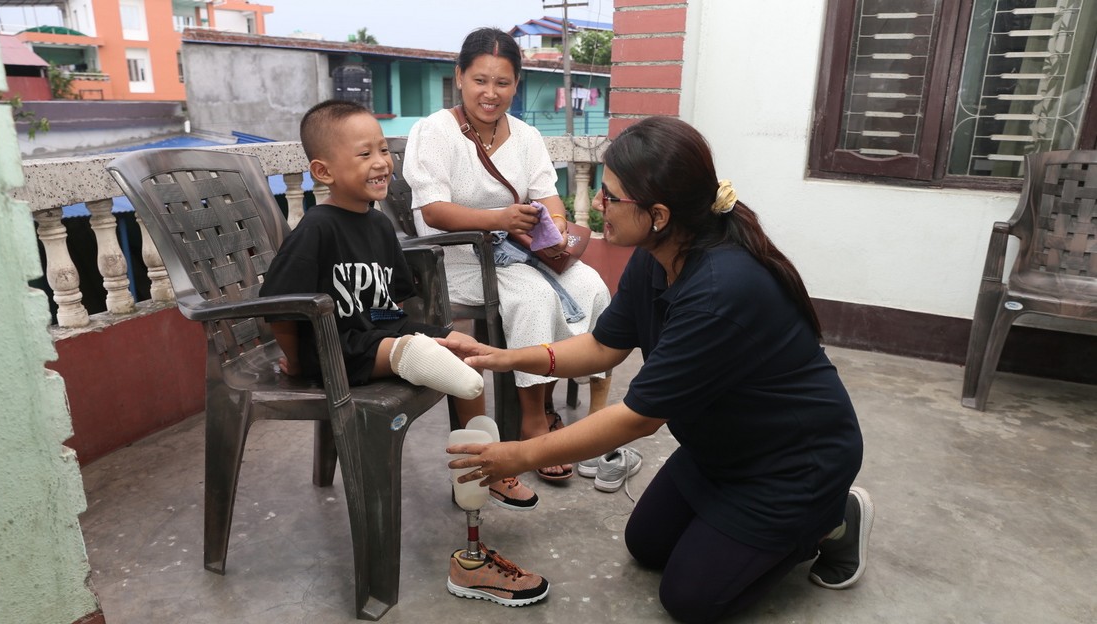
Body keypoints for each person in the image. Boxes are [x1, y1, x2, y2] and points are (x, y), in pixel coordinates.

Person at [444, 116, 873, 623]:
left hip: (792, 464)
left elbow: (639, 419)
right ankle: (742, 527)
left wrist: (519, 455)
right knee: (647, 545)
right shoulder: (657, 256)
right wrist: (503, 356)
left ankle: (831, 520)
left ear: (659, 214)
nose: (597, 204)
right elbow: (603, 346)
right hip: (721, 449)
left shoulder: (719, 292)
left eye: (610, 196)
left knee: (690, 600)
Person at [404, 27, 615, 487]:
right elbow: (433, 210)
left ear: (516, 84)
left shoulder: (526, 135)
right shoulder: (434, 131)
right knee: (535, 299)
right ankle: (533, 420)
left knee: (592, 285)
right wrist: (498, 218)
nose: (490, 93)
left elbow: (549, 195)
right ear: (460, 77)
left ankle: (574, 405)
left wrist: (554, 224)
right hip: (456, 261)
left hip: (519, 253)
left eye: (502, 82)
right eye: (480, 80)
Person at [259, 99, 493, 438]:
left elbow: (390, 303)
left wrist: (401, 327)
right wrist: (297, 363)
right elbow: (280, 308)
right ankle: (415, 353)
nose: (381, 162)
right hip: (335, 349)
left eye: (383, 150)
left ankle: (480, 457)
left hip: (380, 336)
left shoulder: (380, 225)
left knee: (467, 349)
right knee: (416, 350)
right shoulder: (316, 227)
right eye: (364, 154)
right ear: (324, 172)